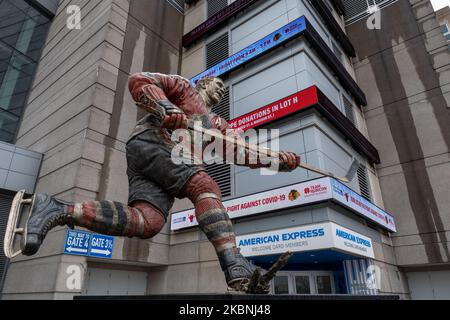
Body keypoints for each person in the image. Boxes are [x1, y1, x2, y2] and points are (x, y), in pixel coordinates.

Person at [15, 72, 300, 293]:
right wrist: (164, 107)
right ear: (203, 83)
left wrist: (278, 159)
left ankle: (57, 209)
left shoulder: (217, 126)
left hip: (154, 162)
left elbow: (243, 152)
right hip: (155, 142)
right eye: (216, 84)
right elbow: (140, 80)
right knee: (205, 187)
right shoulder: (184, 89)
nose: (220, 90)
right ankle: (233, 262)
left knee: (147, 221)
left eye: (223, 90)